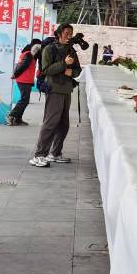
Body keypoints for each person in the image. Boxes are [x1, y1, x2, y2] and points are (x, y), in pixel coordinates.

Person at [29, 24, 82, 168]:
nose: (69, 36)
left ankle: (55, 153)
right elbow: (46, 70)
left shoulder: (71, 50)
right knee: (50, 123)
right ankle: (39, 155)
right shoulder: (49, 49)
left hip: (67, 90)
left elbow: (78, 70)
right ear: (59, 34)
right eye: (67, 33)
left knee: (64, 124)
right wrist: (64, 64)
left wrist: (72, 73)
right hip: (54, 90)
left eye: (71, 33)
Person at [7, 39, 42, 126]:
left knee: (25, 100)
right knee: (24, 100)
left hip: (25, 80)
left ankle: (18, 119)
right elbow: (23, 65)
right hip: (24, 80)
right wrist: (15, 74)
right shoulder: (29, 54)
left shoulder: (29, 53)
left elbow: (20, 64)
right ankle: (11, 115)